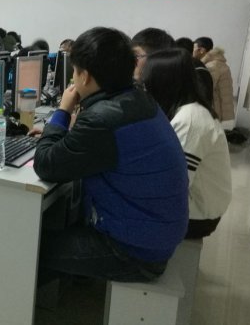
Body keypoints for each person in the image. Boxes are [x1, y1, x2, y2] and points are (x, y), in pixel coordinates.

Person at [33, 27, 188, 282]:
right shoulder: (138, 100)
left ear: (85, 77)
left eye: (75, 71)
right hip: (155, 234)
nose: (72, 78)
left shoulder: (102, 119)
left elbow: (46, 164)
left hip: (134, 251)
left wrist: (62, 112)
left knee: (28, 244)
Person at [142, 48, 232, 239]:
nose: (144, 87)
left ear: (162, 83)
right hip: (196, 206)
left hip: (197, 216)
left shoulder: (190, 120)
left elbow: (174, 185)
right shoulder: (188, 110)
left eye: (147, 81)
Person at [193, 37, 235, 122]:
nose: (192, 52)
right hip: (219, 108)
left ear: (201, 50)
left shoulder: (212, 66)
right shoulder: (216, 63)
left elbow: (206, 89)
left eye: (194, 48)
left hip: (216, 109)